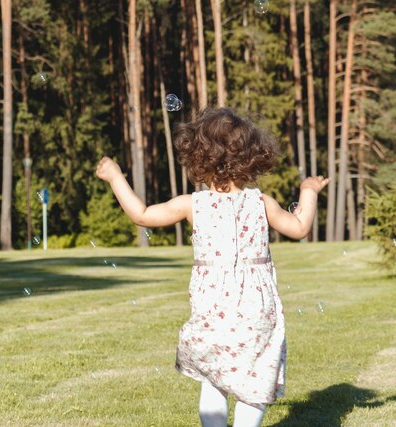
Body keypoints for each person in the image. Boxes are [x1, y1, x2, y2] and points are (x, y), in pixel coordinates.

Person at [96, 107, 330, 427]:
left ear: (198, 156)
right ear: (250, 156)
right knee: (256, 373)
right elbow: (300, 226)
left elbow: (142, 215)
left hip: (212, 308)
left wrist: (115, 177)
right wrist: (308, 191)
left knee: (214, 374)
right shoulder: (261, 203)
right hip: (255, 309)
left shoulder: (193, 204)